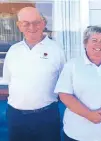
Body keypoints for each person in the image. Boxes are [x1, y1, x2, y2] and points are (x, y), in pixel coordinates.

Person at [54, 26, 101, 141]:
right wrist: (88, 114)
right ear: (85, 43)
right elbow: (64, 95)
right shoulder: (72, 65)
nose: (98, 45)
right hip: (77, 133)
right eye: (94, 40)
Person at [3, 7, 65, 141]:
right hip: (16, 117)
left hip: (46, 116)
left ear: (43, 23)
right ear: (19, 26)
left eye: (36, 22)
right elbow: (9, 80)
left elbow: (64, 84)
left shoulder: (57, 50)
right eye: (26, 23)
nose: (32, 27)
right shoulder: (13, 51)